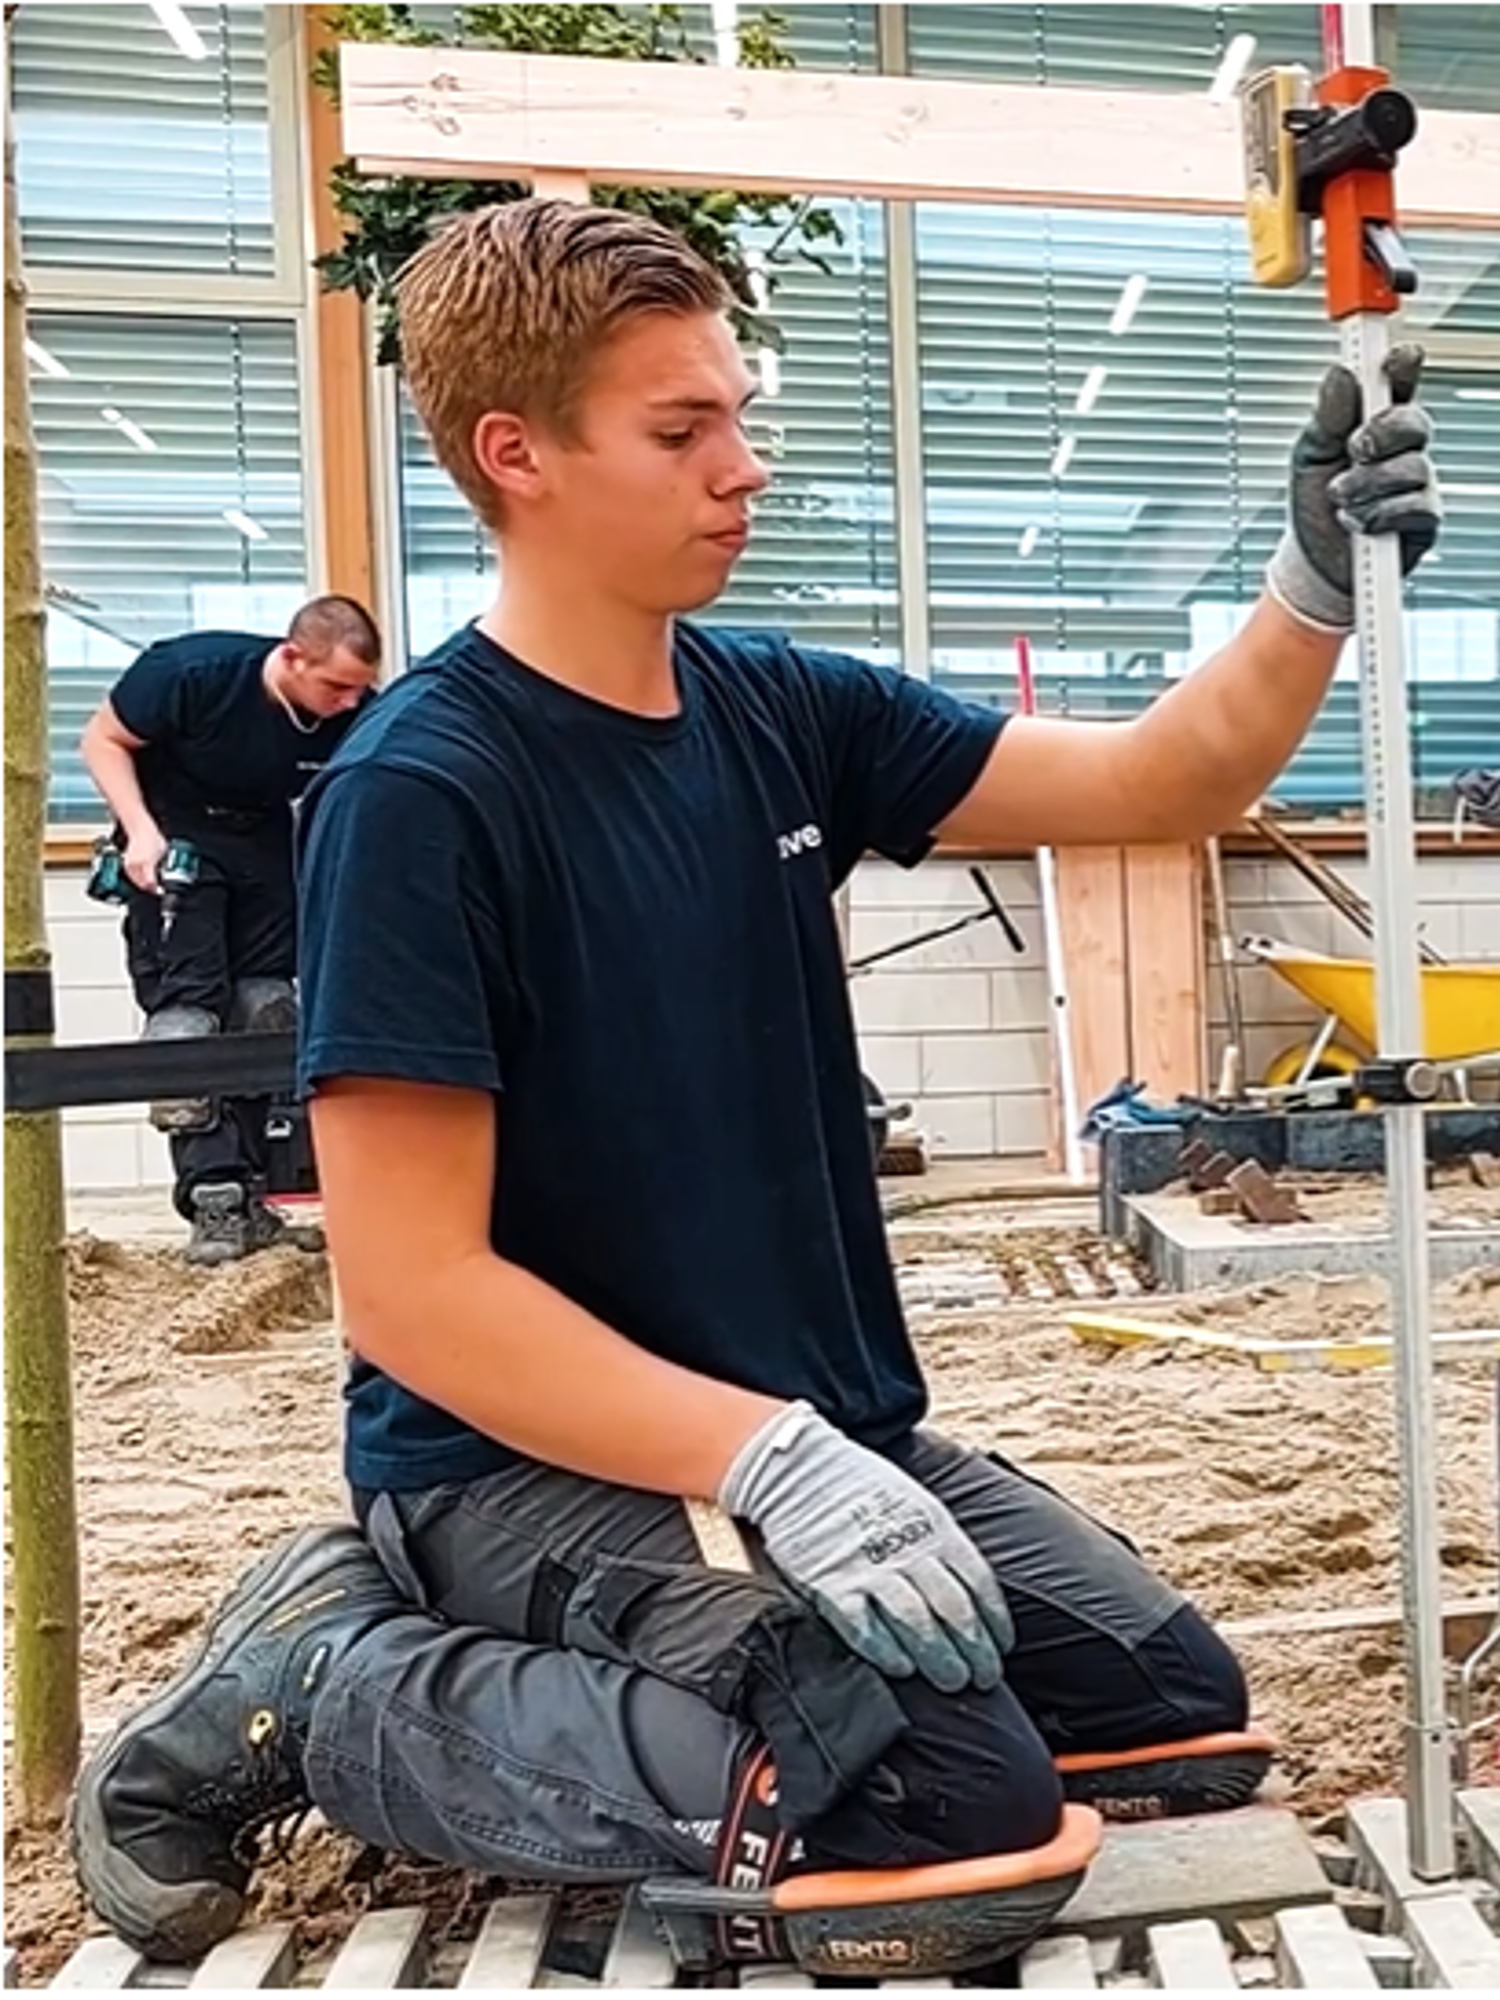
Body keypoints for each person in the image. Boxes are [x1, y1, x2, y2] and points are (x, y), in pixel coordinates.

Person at [72, 202, 1441, 1975]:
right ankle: (326, 1676)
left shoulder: (774, 705)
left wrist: (1310, 584)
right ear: (519, 454)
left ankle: (697, 1628)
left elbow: (1160, 778)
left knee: (1166, 1713)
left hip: (813, 1436)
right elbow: (413, 1295)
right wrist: (761, 1452)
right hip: (519, 1464)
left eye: (736, 411)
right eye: (681, 430)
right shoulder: (425, 797)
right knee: (943, 1812)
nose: (748, 465)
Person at [80, 598, 381, 1265]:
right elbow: (101, 740)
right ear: (291, 656)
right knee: (188, 1016)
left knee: (267, 1006)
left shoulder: (355, 712)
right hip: (174, 835)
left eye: (359, 687)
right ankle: (213, 1195)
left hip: (266, 842)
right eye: (335, 686)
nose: (347, 702)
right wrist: (141, 833)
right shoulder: (193, 673)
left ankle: (254, 1194)